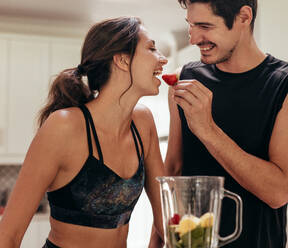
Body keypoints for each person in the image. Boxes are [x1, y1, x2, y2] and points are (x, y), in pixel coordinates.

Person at [150, 0, 288, 247]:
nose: (194, 39)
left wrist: (207, 129)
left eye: (205, 26)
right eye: (191, 26)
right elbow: (173, 172)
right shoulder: (186, 78)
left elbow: (278, 192)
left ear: (244, 17)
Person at [0, 16, 168, 248]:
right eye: (151, 48)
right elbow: (8, 235)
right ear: (121, 60)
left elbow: (167, 219)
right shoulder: (64, 126)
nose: (163, 58)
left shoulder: (143, 121)